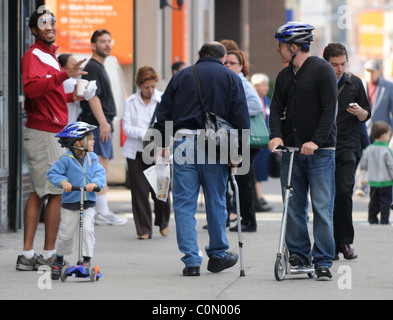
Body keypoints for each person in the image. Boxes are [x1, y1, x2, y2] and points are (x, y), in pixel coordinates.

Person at [154, 41, 250, 276]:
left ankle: (191, 261)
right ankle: (218, 255)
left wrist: (161, 145)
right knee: (216, 201)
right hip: (216, 145)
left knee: (184, 204)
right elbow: (241, 117)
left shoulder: (182, 76)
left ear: (198, 55)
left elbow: (164, 111)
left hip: (183, 143)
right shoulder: (230, 78)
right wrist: (238, 154)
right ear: (222, 57)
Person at [16, 7, 87, 271]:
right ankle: (46, 256)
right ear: (34, 30)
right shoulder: (33, 55)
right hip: (44, 132)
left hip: (50, 132)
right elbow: (32, 90)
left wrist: (72, 97)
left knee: (40, 192)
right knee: (55, 192)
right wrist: (63, 75)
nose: (49, 27)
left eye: (52, 23)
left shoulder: (48, 56)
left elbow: (49, 93)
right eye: (44, 23)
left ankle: (29, 254)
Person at [268, 22, 337, 280]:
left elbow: (330, 109)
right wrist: (276, 135)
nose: (278, 50)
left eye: (281, 45)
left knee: (321, 207)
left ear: (294, 47)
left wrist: (316, 141)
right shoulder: (285, 76)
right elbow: (275, 109)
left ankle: (322, 261)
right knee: (292, 206)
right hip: (293, 152)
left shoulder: (322, 70)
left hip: (320, 153)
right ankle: (298, 254)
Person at [323, 43, 371, 260]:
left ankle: (344, 241)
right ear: (326, 63)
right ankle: (328, 244)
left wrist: (360, 112)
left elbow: (366, 114)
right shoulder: (318, 82)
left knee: (343, 192)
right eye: (334, 65)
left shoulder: (355, 83)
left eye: (342, 64)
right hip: (322, 146)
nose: (340, 69)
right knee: (325, 196)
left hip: (348, 145)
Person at [78, 29, 127, 226]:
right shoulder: (94, 67)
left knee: (99, 167)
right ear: (93, 45)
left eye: (109, 40)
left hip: (100, 123)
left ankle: (100, 210)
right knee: (99, 167)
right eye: (102, 41)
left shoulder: (100, 66)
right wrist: (103, 123)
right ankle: (101, 211)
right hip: (98, 124)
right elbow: (92, 96)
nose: (107, 44)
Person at [46, 122, 106, 280]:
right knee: (66, 233)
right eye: (90, 139)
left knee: (87, 230)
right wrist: (63, 182)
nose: (93, 141)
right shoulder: (66, 159)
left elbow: (100, 173)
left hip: (88, 203)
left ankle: (86, 260)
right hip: (70, 203)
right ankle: (59, 259)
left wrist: (96, 184)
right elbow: (53, 173)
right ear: (79, 143)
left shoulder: (92, 158)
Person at [122, 66, 171, 239]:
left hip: (158, 151)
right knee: (139, 191)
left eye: (152, 86)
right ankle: (143, 229)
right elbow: (127, 127)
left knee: (161, 191)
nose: (150, 90)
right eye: (146, 87)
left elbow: (168, 124)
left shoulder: (163, 99)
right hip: (136, 152)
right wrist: (145, 133)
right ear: (139, 85)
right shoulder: (130, 102)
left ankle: (163, 222)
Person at [225, 50, 263, 232]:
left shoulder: (242, 83)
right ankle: (245, 218)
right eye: (225, 63)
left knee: (243, 179)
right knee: (239, 180)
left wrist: (236, 112)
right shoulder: (231, 81)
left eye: (232, 63)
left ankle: (249, 220)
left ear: (241, 66)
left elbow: (256, 105)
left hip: (245, 139)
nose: (228, 66)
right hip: (237, 138)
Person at [359, 121, 393, 225]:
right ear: (383, 135)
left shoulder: (369, 149)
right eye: (388, 135)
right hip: (386, 182)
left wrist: (363, 178)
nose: (389, 137)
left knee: (373, 202)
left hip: (372, 181)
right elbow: (391, 166)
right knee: (385, 203)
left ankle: (372, 219)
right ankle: (384, 220)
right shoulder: (387, 150)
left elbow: (363, 164)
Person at [251, 73, 273, 212]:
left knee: (262, 169)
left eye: (266, 85)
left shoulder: (266, 100)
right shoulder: (252, 101)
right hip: (254, 139)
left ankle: (259, 195)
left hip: (265, 139)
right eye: (263, 85)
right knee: (255, 168)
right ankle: (257, 196)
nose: (266, 88)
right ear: (255, 86)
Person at [363, 59, 393, 134]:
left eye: (372, 71)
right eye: (367, 71)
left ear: (378, 71)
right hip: (364, 132)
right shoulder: (360, 86)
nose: (370, 74)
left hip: (382, 133)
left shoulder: (388, 86)